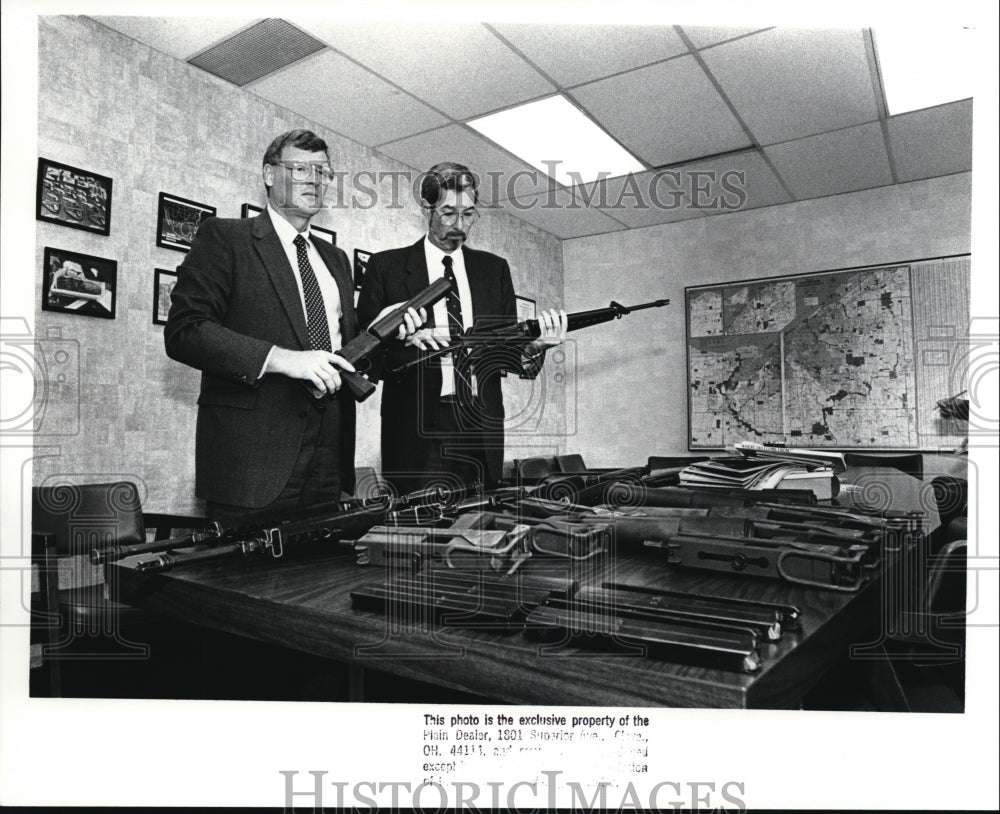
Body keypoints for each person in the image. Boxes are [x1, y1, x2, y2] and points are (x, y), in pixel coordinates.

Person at [165, 129, 422, 518]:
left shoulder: (335, 260)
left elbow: (343, 356)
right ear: (269, 174)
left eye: (323, 172)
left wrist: (382, 332)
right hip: (252, 463)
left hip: (329, 460)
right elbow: (185, 331)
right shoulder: (225, 238)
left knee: (318, 575)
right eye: (300, 169)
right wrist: (285, 359)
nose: (315, 181)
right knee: (243, 579)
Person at [357, 162, 567, 494]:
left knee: (482, 530)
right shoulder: (386, 267)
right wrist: (402, 336)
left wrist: (532, 349)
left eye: (468, 214)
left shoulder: (494, 270)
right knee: (418, 536)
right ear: (426, 208)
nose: (459, 225)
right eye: (448, 213)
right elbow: (363, 357)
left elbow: (505, 355)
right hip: (416, 428)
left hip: (480, 426)